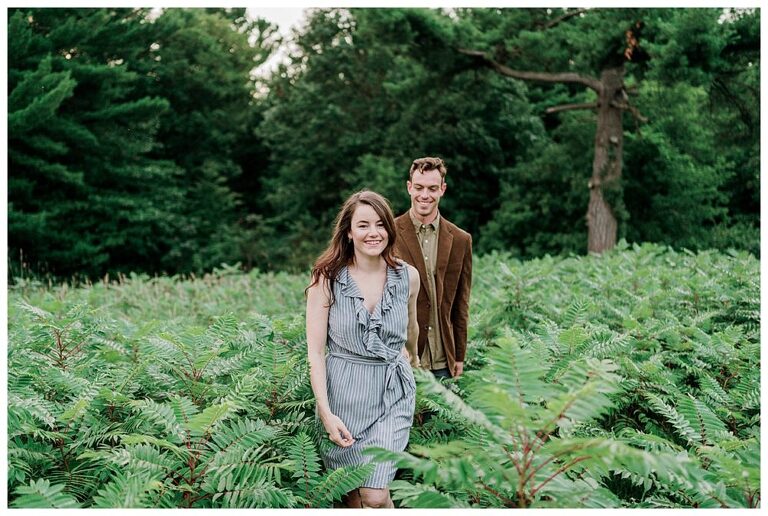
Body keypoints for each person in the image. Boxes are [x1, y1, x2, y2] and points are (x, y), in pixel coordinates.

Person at [306, 190, 420, 508]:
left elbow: (412, 327)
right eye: (364, 225)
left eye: (381, 224)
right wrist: (327, 415)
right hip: (343, 397)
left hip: (390, 391)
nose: (373, 233)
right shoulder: (326, 280)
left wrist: (411, 355)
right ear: (348, 231)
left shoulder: (407, 277)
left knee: (374, 492)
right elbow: (315, 353)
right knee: (355, 495)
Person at [393, 157, 473, 379]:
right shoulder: (388, 234)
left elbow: (460, 304)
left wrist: (459, 356)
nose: (425, 195)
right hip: (402, 357)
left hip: (443, 360)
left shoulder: (460, 240)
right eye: (419, 187)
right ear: (409, 187)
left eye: (432, 188)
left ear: (442, 190)